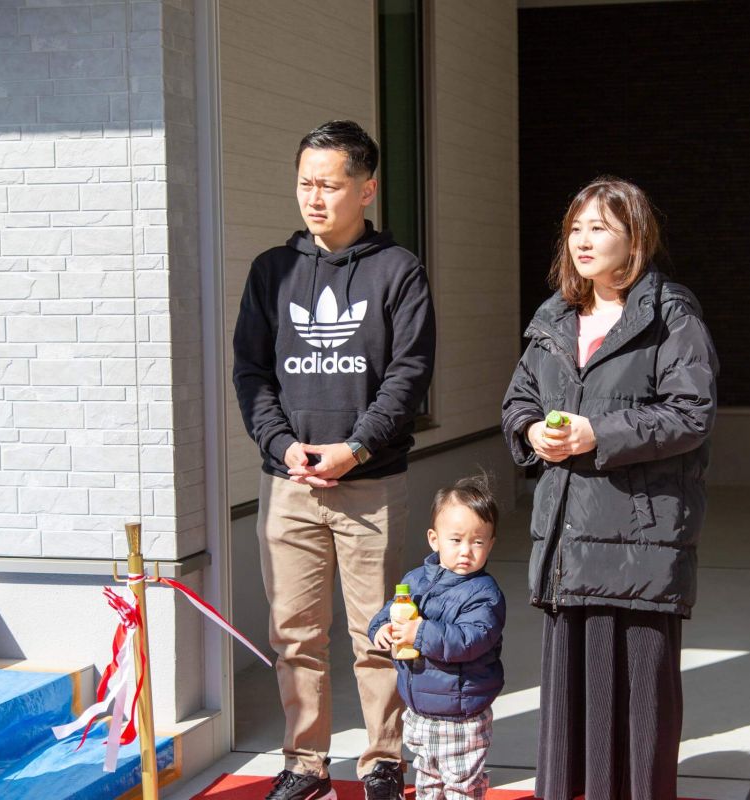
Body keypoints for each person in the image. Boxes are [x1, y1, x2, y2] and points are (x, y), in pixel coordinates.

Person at [233, 119, 435, 800]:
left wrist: (355, 448)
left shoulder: (398, 271)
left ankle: (383, 758)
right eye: (304, 183)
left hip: (370, 482)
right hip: (288, 484)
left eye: (329, 184)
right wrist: (282, 445)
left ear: (367, 188)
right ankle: (305, 762)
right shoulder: (274, 271)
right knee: (294, 632)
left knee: (378, 630)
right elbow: (251, 373)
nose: (313, 197)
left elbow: (409, 374)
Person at [501, 176, 718, 800]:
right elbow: (518, 399)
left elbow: (690, 414)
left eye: (600, 227)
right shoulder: (554, 317)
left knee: (640, 701)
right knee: (573, 702)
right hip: (569, 537)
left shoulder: (671, 316)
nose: (583, 240)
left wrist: (600, 433)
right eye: (575, 227)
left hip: (639, 541)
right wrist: (532, 430)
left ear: (636, 239)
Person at [368, 475, 506, 800]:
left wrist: (420, 632)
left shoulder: (484, 594)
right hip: (420, 711)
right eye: (456, 540)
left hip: (462, 713)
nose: (466, 552)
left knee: (462, 786)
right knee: (429, 782)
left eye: (478, 542)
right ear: (434, 539)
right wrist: (382, 630)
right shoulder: (415, 581)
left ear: (491, 544)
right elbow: (388, 611)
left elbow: (469, 640)